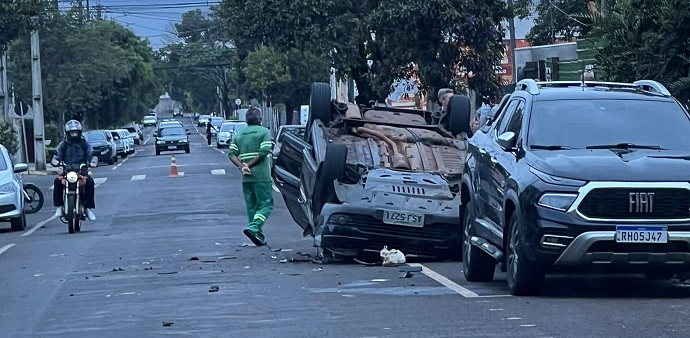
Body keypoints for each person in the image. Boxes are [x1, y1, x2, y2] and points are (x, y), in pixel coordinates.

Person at [228, 108, 274, 246]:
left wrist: (242, 167)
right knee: (266, 204)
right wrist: (249, 165)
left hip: (246, 178)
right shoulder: (264, 132)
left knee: (252, 207)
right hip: (261, 176)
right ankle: (253, 228)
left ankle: (257, 235)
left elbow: (231, 154)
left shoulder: (239, 135)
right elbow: (264, 151)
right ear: (260, 119)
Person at [51, 120, 97, 221]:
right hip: (66, 171)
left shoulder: (85, 144)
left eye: (76, 132)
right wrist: (55, 161)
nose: (74, 134)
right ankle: (59, 207)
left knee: (89, 182)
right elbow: (57, 156)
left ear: (80, 132)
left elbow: (92, 154)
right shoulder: (63, 144)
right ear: (67, 133)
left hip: (82, 171)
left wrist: (93, 161)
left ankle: (87, 208)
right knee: (57, 182)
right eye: (72, 132)